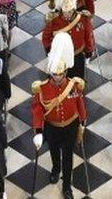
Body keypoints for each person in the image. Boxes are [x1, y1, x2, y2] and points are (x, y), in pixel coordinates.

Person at [33, 33, 87, 199]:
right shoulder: (42, 89)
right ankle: (56, 169)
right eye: (55, 74)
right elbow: (37, 109)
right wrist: (38, 131)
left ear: (65, 72)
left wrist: (83, 120)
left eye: (60, 74)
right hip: (52, 126)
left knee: (69, 156)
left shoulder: (74, 85)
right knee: (54, 151)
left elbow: (79, 104)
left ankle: (66, 186)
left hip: (70, 126)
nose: (57, 77)